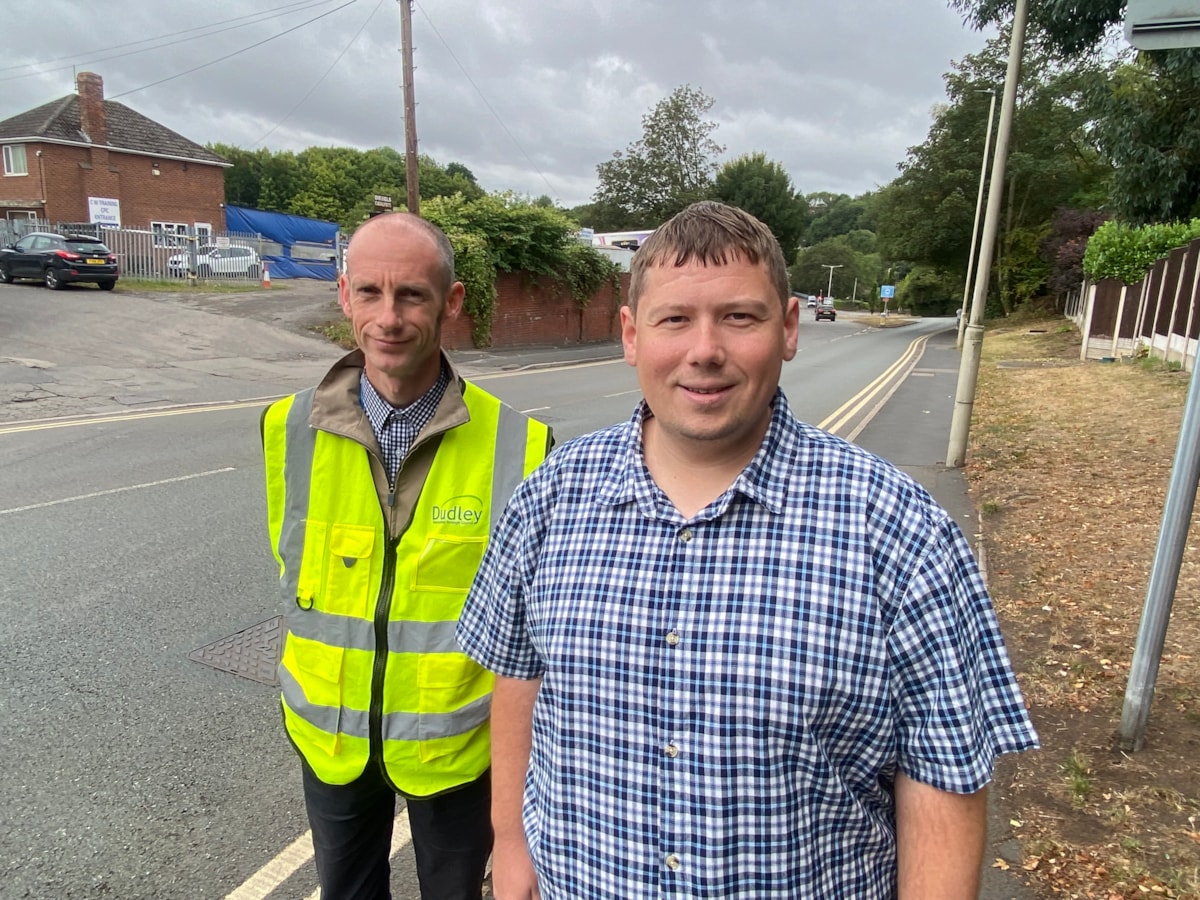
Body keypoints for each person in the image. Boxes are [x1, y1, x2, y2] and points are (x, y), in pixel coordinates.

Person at [457, 200, 1038, 899]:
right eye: (675, 319)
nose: (705, 350)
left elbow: (943, 773)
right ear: (632, 335)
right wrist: (512, 843)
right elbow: (518, 675)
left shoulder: (899, 529)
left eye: (739, 316)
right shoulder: (548, 500)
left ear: (788, 329)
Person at [262, 212, 552, 900]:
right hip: (331, 737)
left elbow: (532, 635)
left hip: (456, 748)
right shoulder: (284, 427)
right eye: (369, 293)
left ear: (451, 302)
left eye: (411, 295)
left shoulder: (521, 443)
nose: (387, 317)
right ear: (343, 296)